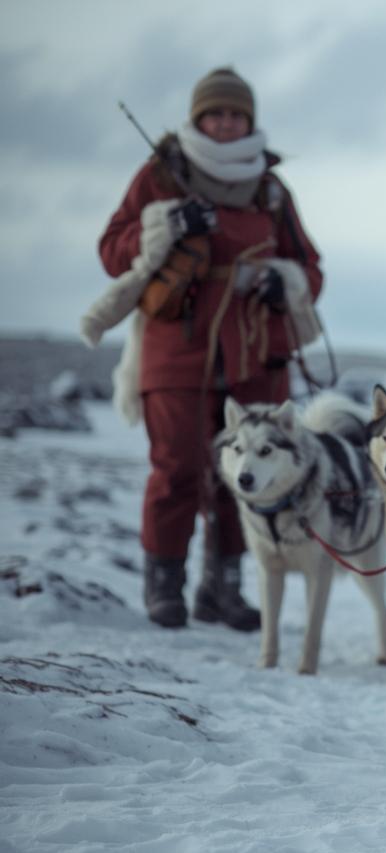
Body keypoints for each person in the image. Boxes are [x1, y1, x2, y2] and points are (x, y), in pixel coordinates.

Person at [86, 67, 323, 630]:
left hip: (257, 352)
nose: (225, 123)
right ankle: (164, 585)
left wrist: (282, 281)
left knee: (249, 473)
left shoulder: (270, 188)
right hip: (176, 350)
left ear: (250, 121)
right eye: (214, 114)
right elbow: (112, 252)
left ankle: (225, 589)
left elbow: (311, 270)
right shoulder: (162, 175)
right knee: (176, 471)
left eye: (235, 114)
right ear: (197, 119)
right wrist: (164, 223)